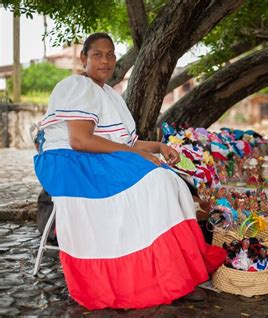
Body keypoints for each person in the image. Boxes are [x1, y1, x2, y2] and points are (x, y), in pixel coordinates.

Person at [33, 33, 226, 310]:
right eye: (98, 54)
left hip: (93, 156)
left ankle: (174, 271)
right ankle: (157, 275)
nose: (106, 60)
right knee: (155, 181)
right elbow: (80, 141)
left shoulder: (110, 94)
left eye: (111, 54)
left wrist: (158, 147)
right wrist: (139, 156)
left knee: (166, 178)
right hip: (71, 162)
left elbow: (126, 143)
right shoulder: (76, 86)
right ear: (83, 58)